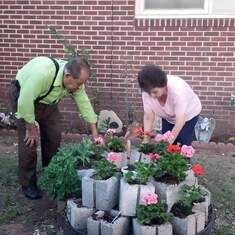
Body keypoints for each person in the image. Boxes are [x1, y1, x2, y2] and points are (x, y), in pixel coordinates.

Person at [9, 56, 98, 200]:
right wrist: (31, 127)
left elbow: (84, 104)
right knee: (29, 142)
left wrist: (94, 133)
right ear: (68, 76)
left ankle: (50, 175)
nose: (80, 87)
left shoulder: (75, 81)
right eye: (79, 83)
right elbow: (25, 101)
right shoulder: (43, 74)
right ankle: (28, 184)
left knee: (54, 136)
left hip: (47, 102)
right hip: (22, 96)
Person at [138, 64, 201, 146]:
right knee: (165, 138)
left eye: (154, 92)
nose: (152, 96)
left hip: (188, 115)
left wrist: (167, 145)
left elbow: (180, 121)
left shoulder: (177, 91)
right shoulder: (147, 91)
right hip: (168, 116)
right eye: (149, 93)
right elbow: (148, 117)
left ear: (163, 85)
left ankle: (184, 157)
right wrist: (146, 140)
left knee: (183, 141)